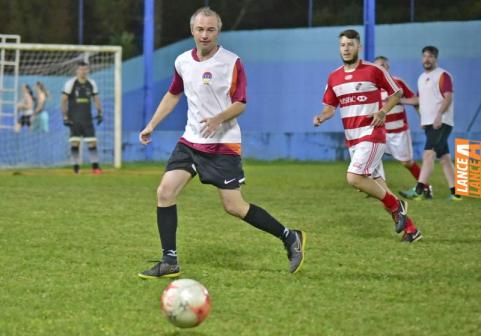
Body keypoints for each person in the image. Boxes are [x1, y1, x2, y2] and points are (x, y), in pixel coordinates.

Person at [138, 7, 306, 279]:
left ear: (218, 31)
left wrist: (218, 119)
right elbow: (173, 94)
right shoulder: (182, 61)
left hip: (222, 145)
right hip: (191, 141)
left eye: (210, 29)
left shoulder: (231, 62)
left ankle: (289, 236)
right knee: (165, 192)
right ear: (192, 30)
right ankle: (169, 261)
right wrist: (151, 125)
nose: (205, 35)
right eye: (200, 29)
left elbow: (241, 103)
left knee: (234, 207)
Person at [313, 29, 422, 243]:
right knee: (379, 188)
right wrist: (322, 116)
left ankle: (397, 205)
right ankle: (411, 229)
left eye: (350, 44)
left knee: (354, 178)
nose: (346, 48)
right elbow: (330, 106)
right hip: (353, 139)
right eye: (343, 45)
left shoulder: (374, 70)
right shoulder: (334, 77)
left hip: (372, 134)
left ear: (359, 47)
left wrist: (382, 111)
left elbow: (396, 93)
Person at [400, 46, 461, 201]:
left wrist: (439, 116)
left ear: (436, 59)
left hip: (441, 123)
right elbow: (418, 100)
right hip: (429, 124)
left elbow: (448, 97)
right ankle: (456, 193)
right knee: (445, 158)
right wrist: (398, 101)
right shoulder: (421, 78)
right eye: (425, 56)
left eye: (430, 56)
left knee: (428, 154)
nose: (427, 59)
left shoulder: (443, 75)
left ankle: (419, 190)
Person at [373, 56, 432, 198]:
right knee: (372, 157)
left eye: (383, 66)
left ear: (388, 67)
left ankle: (425, 188)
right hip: (380, 131)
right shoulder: (372, 86)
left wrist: (399, 100)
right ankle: (378, 189)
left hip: (398, 131)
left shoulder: (397, 82)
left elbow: (416, 100)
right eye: (377, 66)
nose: (380, 69)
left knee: (407, 162)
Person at [61, 61, 103, 174]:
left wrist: (100, 113)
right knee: (75, 143)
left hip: (87, 119)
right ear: (76, 70)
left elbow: (96, 99)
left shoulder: (91, 83)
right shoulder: (70, 83)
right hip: (74, 119)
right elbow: (64, 100)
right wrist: (65, 116)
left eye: (85, 69)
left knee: (92, 143)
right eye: (81, 69)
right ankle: (76, 168)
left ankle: (95, 168)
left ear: (88, 70)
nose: (83, 71)